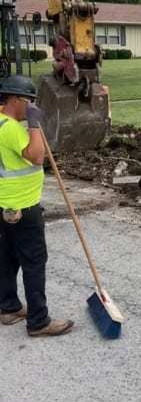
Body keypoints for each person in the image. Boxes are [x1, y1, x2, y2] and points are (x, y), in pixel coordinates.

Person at [0, 75, 73, 337]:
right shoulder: (10, 128)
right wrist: (33, 124)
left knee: (7, 259)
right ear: (14, 99)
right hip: (23, 208)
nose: (31, 105)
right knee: (33, 261)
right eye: (28, 101)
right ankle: (39, 321)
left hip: (4, 206)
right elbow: (37, 157)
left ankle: (8, 307)